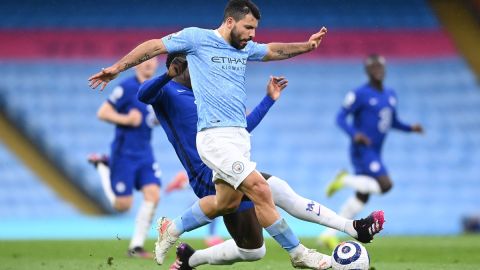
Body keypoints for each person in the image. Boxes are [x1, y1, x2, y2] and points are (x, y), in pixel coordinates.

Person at [88, 1, 357, 268]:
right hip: (208, 159)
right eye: (249, 27)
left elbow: (272, 52)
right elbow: (150, 65)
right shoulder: (184, 62)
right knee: (269, 191)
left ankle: (177, 236)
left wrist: (304, 50)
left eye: (255, 29)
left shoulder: (210, 91)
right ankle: (309, 247)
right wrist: (122, 69)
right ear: (230, 22)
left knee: (251, 244)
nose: (253, 34)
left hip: (231, 150)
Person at [137, 54, 384, 269]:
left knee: (254, 249)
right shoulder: (167, 91)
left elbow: (240, 130)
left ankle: (189, 258)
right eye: (197, 64)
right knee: (273, 191)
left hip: (230, 163)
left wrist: (269, 100)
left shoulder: (207, 97)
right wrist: (167, 75)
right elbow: (143, 94)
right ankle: (317, 244)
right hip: (205, 171)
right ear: (180, 65)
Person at [320, 54, 423, 249]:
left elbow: (392, 121)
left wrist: (411, 128)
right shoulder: (359, 94)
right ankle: (343, 180)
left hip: (376, 150)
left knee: (362, 196)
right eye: (373, 67)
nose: (377, 69)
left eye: (380, 66)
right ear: (367, 71)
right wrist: (354, 134)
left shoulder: (390, 95)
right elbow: (340, 118)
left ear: (384, 69)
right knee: (385, 185)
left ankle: (328, 235)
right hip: (362, 150)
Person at [89, 58, 162, 258]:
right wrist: (126, 119)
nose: (148, 64)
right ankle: (104, 167)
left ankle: (135, 247)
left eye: (152, 60)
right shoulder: (127, 87)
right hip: (124, 154)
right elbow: (102, 113)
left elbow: (152, 118)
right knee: (123, 206)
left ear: (157, 64)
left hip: (145, 153)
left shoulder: (156, 89)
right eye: (145, 60)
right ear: (137, 64)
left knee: (153, 195)